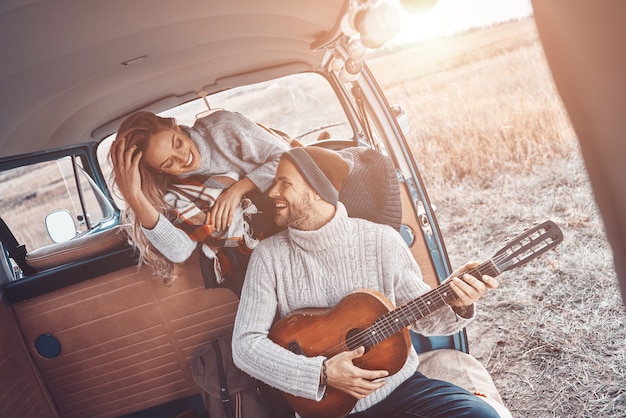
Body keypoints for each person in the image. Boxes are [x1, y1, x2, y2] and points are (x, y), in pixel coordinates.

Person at [232, 146, 502, 417]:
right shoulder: (268, 257)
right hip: (327, 408)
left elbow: (427, 321)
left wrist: (457, 302)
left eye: (285, 183)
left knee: (482, 415)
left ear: (316, 189)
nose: (271, 192)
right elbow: (245, 345)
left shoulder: (382, 240)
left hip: (399, 390)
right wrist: (321, 373)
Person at [109, 109, 289, 285]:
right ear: (159, 170)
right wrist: (135, 197)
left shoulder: (223, 127)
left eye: (178, 144)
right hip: (261, 253)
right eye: (169, 163)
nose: (183, 158)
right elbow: (180, 251)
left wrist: (237, 190)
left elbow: (289, 158)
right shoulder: (175, 193)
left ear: (175, 126)